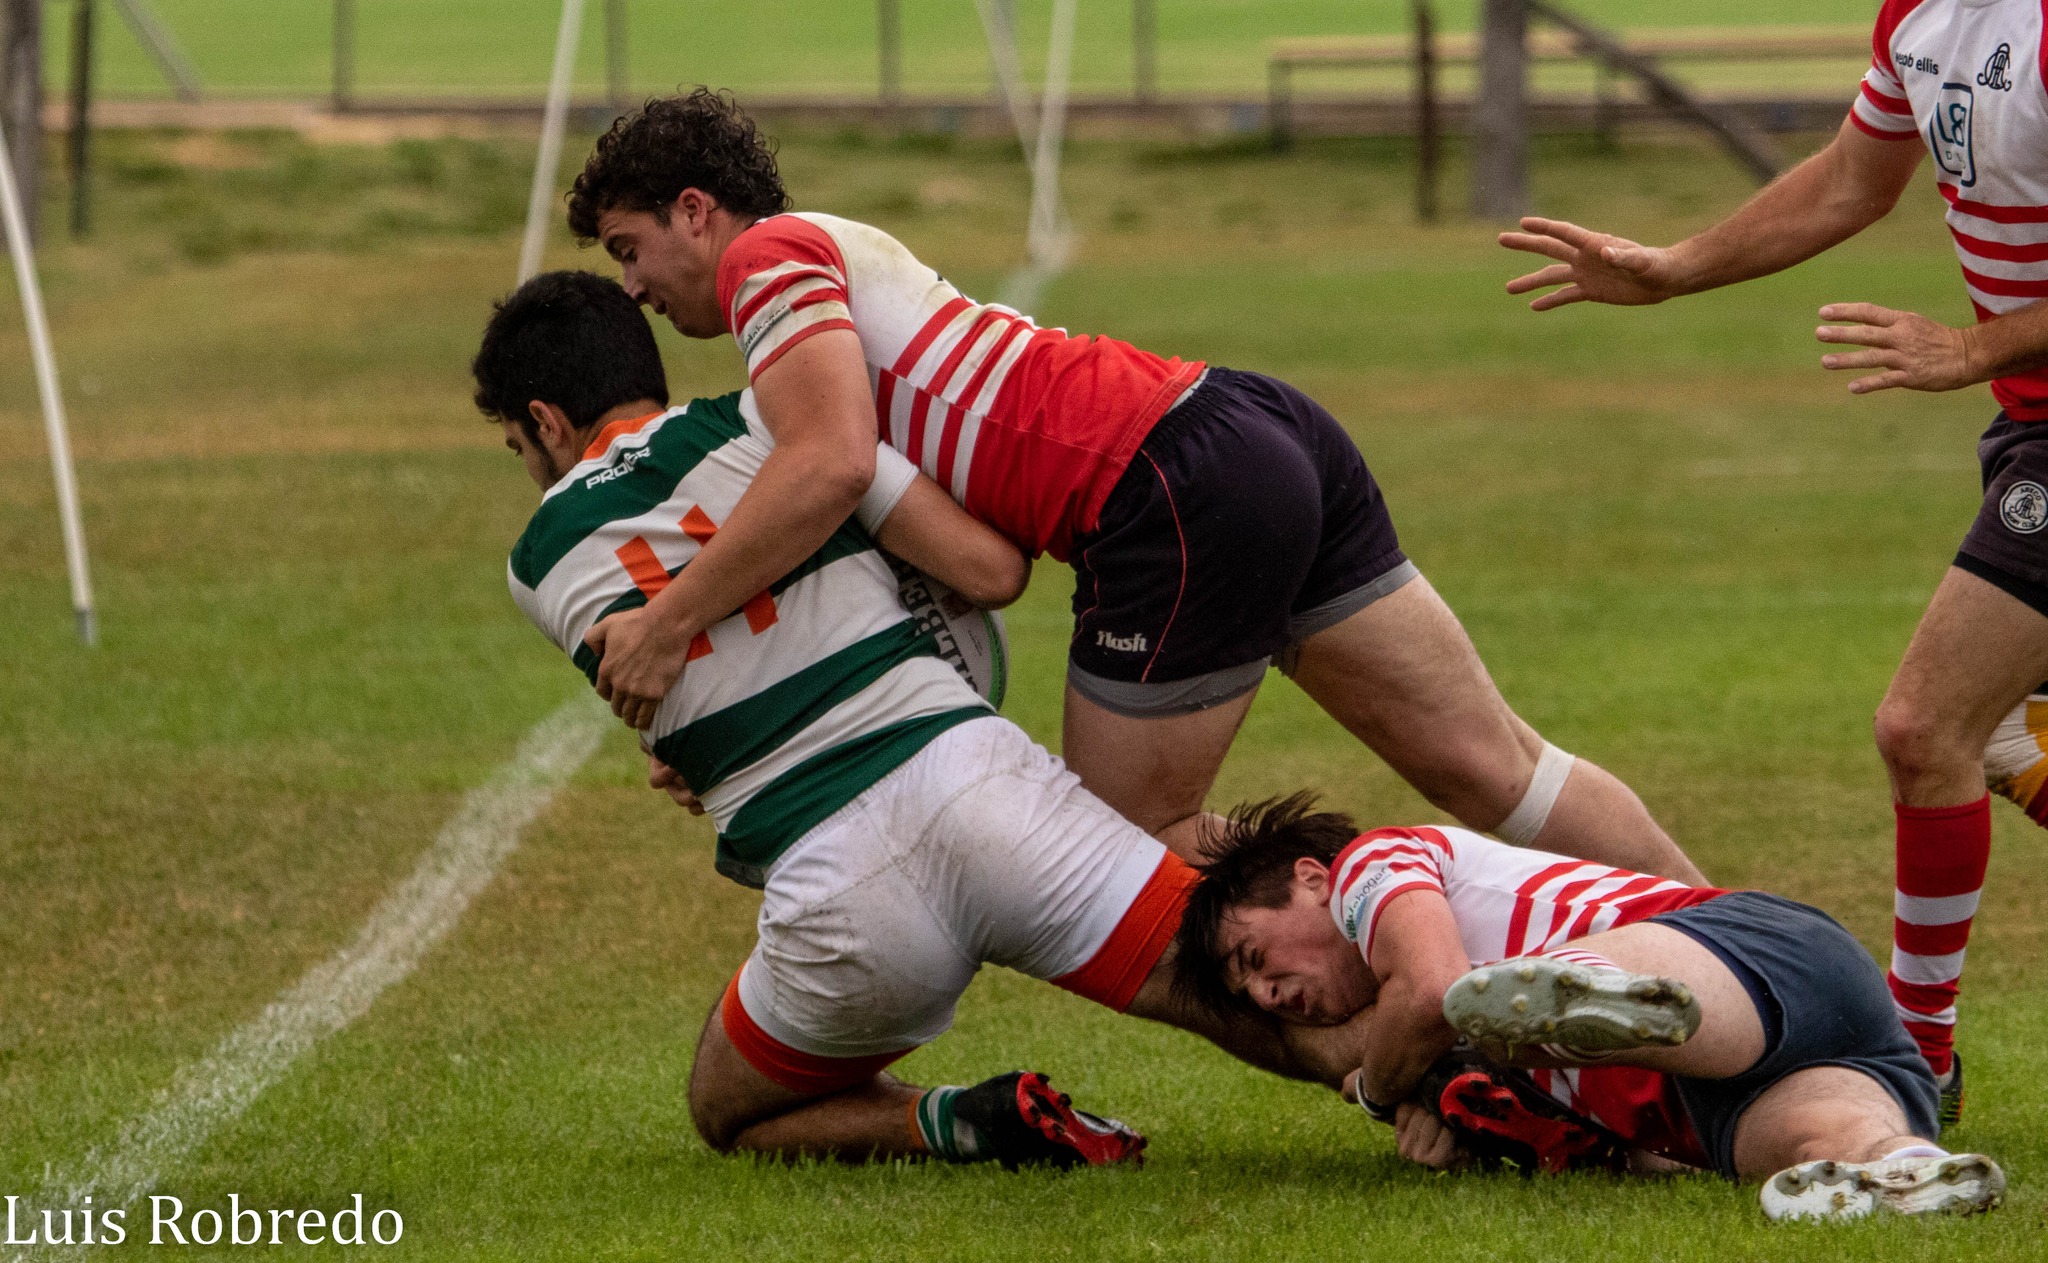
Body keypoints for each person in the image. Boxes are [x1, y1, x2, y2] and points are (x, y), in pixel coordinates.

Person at [556, 88, 1704, 887]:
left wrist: (667, 626)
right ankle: (1762, 960)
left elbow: (827, 466)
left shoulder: (769, 260)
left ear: (696, 211)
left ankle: (1411, 921)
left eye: (627, 247)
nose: (637, 287)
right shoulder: (834, 281)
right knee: (1495, 765)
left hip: (1163, 491)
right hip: (1247, 426)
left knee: (1119, 851)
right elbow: (982, 568)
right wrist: (741, 724)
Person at [472, 269, 1358, 1168]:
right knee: (1231, 981)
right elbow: (985, 570)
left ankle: (953, 1121)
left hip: (838, 897)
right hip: (984, 792)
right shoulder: (782, 422)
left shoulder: (534, 562)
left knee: (727, 1108)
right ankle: (1428, 1075)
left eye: (518, 447)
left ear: (546, 422)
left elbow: (687, 690)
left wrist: (693, 751)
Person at [1499, 0, 2048, 1119]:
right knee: (1992, 731)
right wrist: (1672, 267)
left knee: (1922, 727)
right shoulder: (1917, 14)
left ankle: (1916, 1060)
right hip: (2026, 421)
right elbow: (1854, 179)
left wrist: (1972, 344)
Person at [1172, 796, 2005, 1221]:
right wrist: (1467, 1124)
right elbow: (1632, 1160)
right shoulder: (1463, 1047)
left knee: (1517, 993)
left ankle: (1580, 980)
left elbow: (1427, 991)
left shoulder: (1370, 863)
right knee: (1830, 1138)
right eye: (1252, 994)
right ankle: (1906, 1166)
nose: (1269, 993)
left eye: (1254, 957)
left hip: (1755, 953)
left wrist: (1379, 1092)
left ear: (1313, 881)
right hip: (1765, 1077)